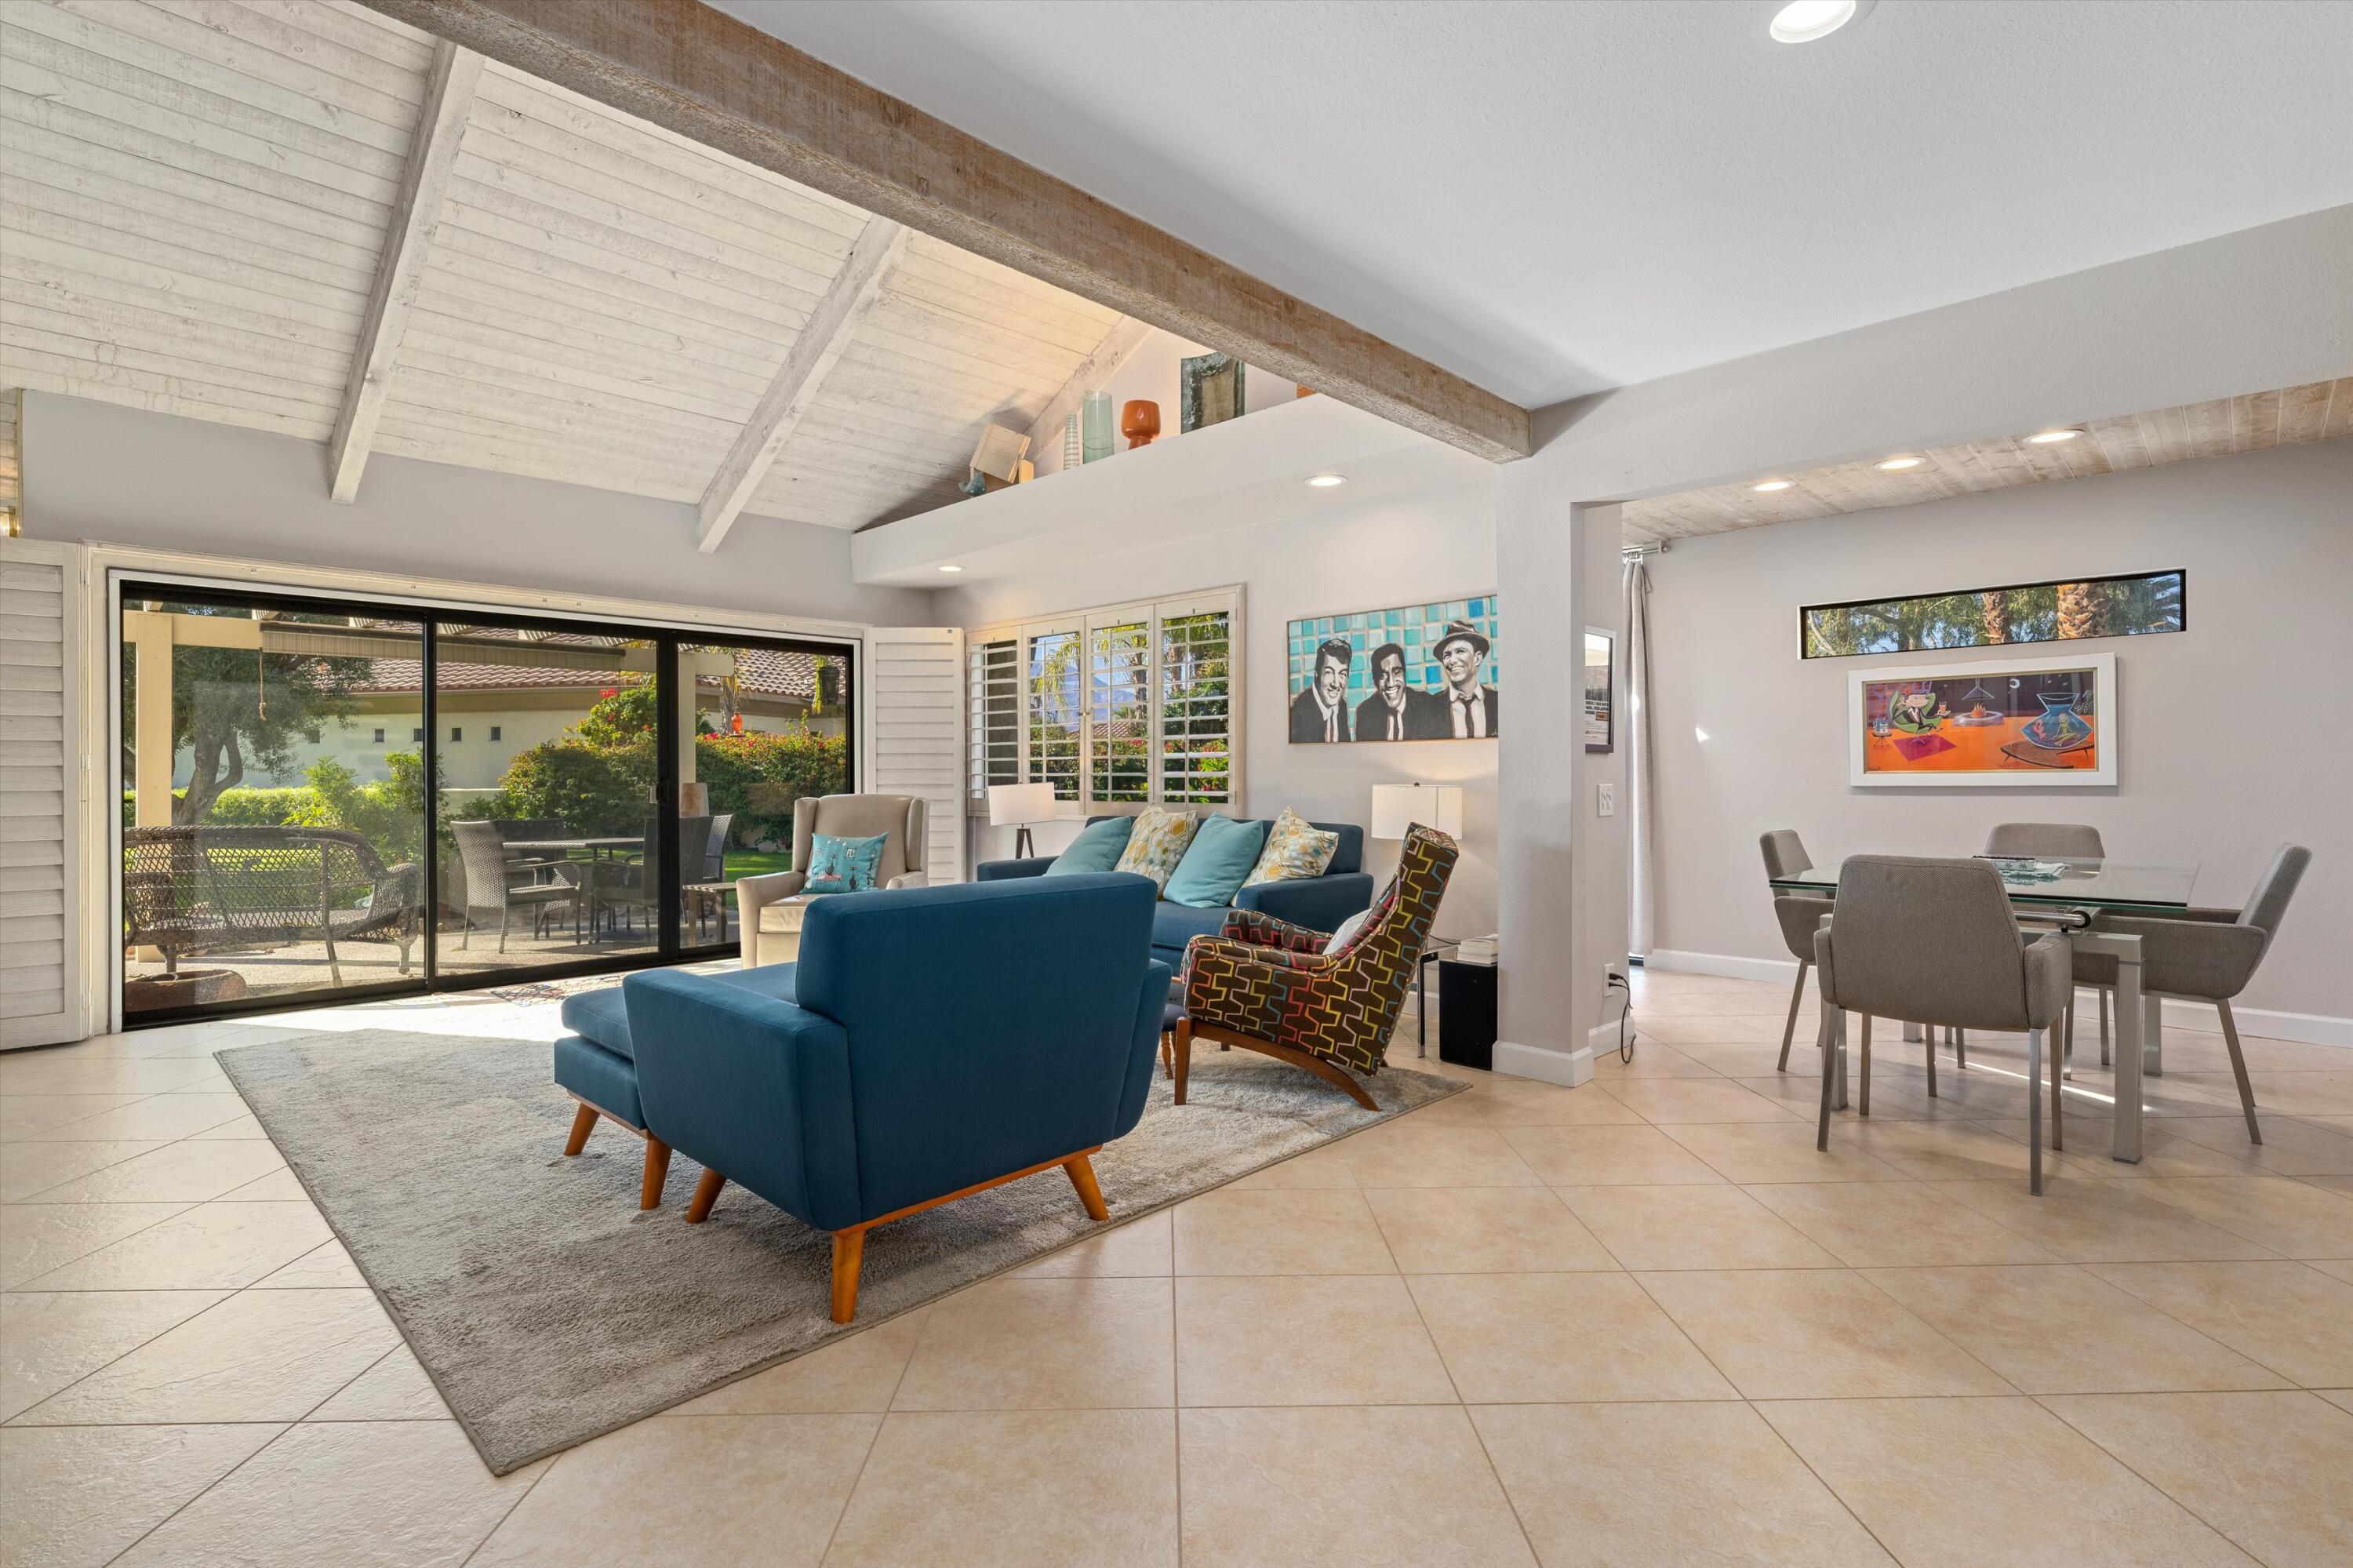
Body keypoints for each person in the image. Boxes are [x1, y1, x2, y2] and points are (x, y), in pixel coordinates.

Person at [1355, 642, 1435, 742]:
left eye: (1397, 672)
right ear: (1375, 681)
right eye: (1383, 676)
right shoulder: (1365, 713)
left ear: (1404, 674)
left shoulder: (1427, 705)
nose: (1391, 683)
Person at [1432, 620, 1498, 738]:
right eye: (1447, 655)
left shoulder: (1498, 701)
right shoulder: (1432, 706)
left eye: (1460, 651)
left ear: (1477, 659)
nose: (1452, 661)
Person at [1289, 637, 1353, 743]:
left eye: (1342, 674)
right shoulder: (1298, 711)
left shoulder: (1341, 706)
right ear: (1317, 673)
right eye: (1329, 672)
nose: (1336, 684)